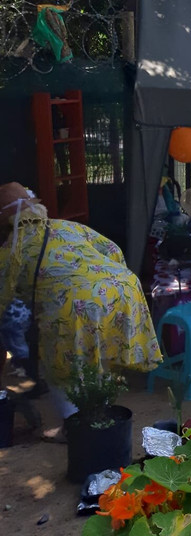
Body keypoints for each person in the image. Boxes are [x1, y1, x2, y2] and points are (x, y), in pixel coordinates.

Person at [0, 182, 161, 437]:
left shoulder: (11, 250)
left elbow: (2, 297)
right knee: (101, 356)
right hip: (122, 289)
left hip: (75, 303)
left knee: (57, 368)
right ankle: (100, 416)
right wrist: (105, 281)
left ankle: (74, 428)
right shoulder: (67, 227)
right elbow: (112, 250)